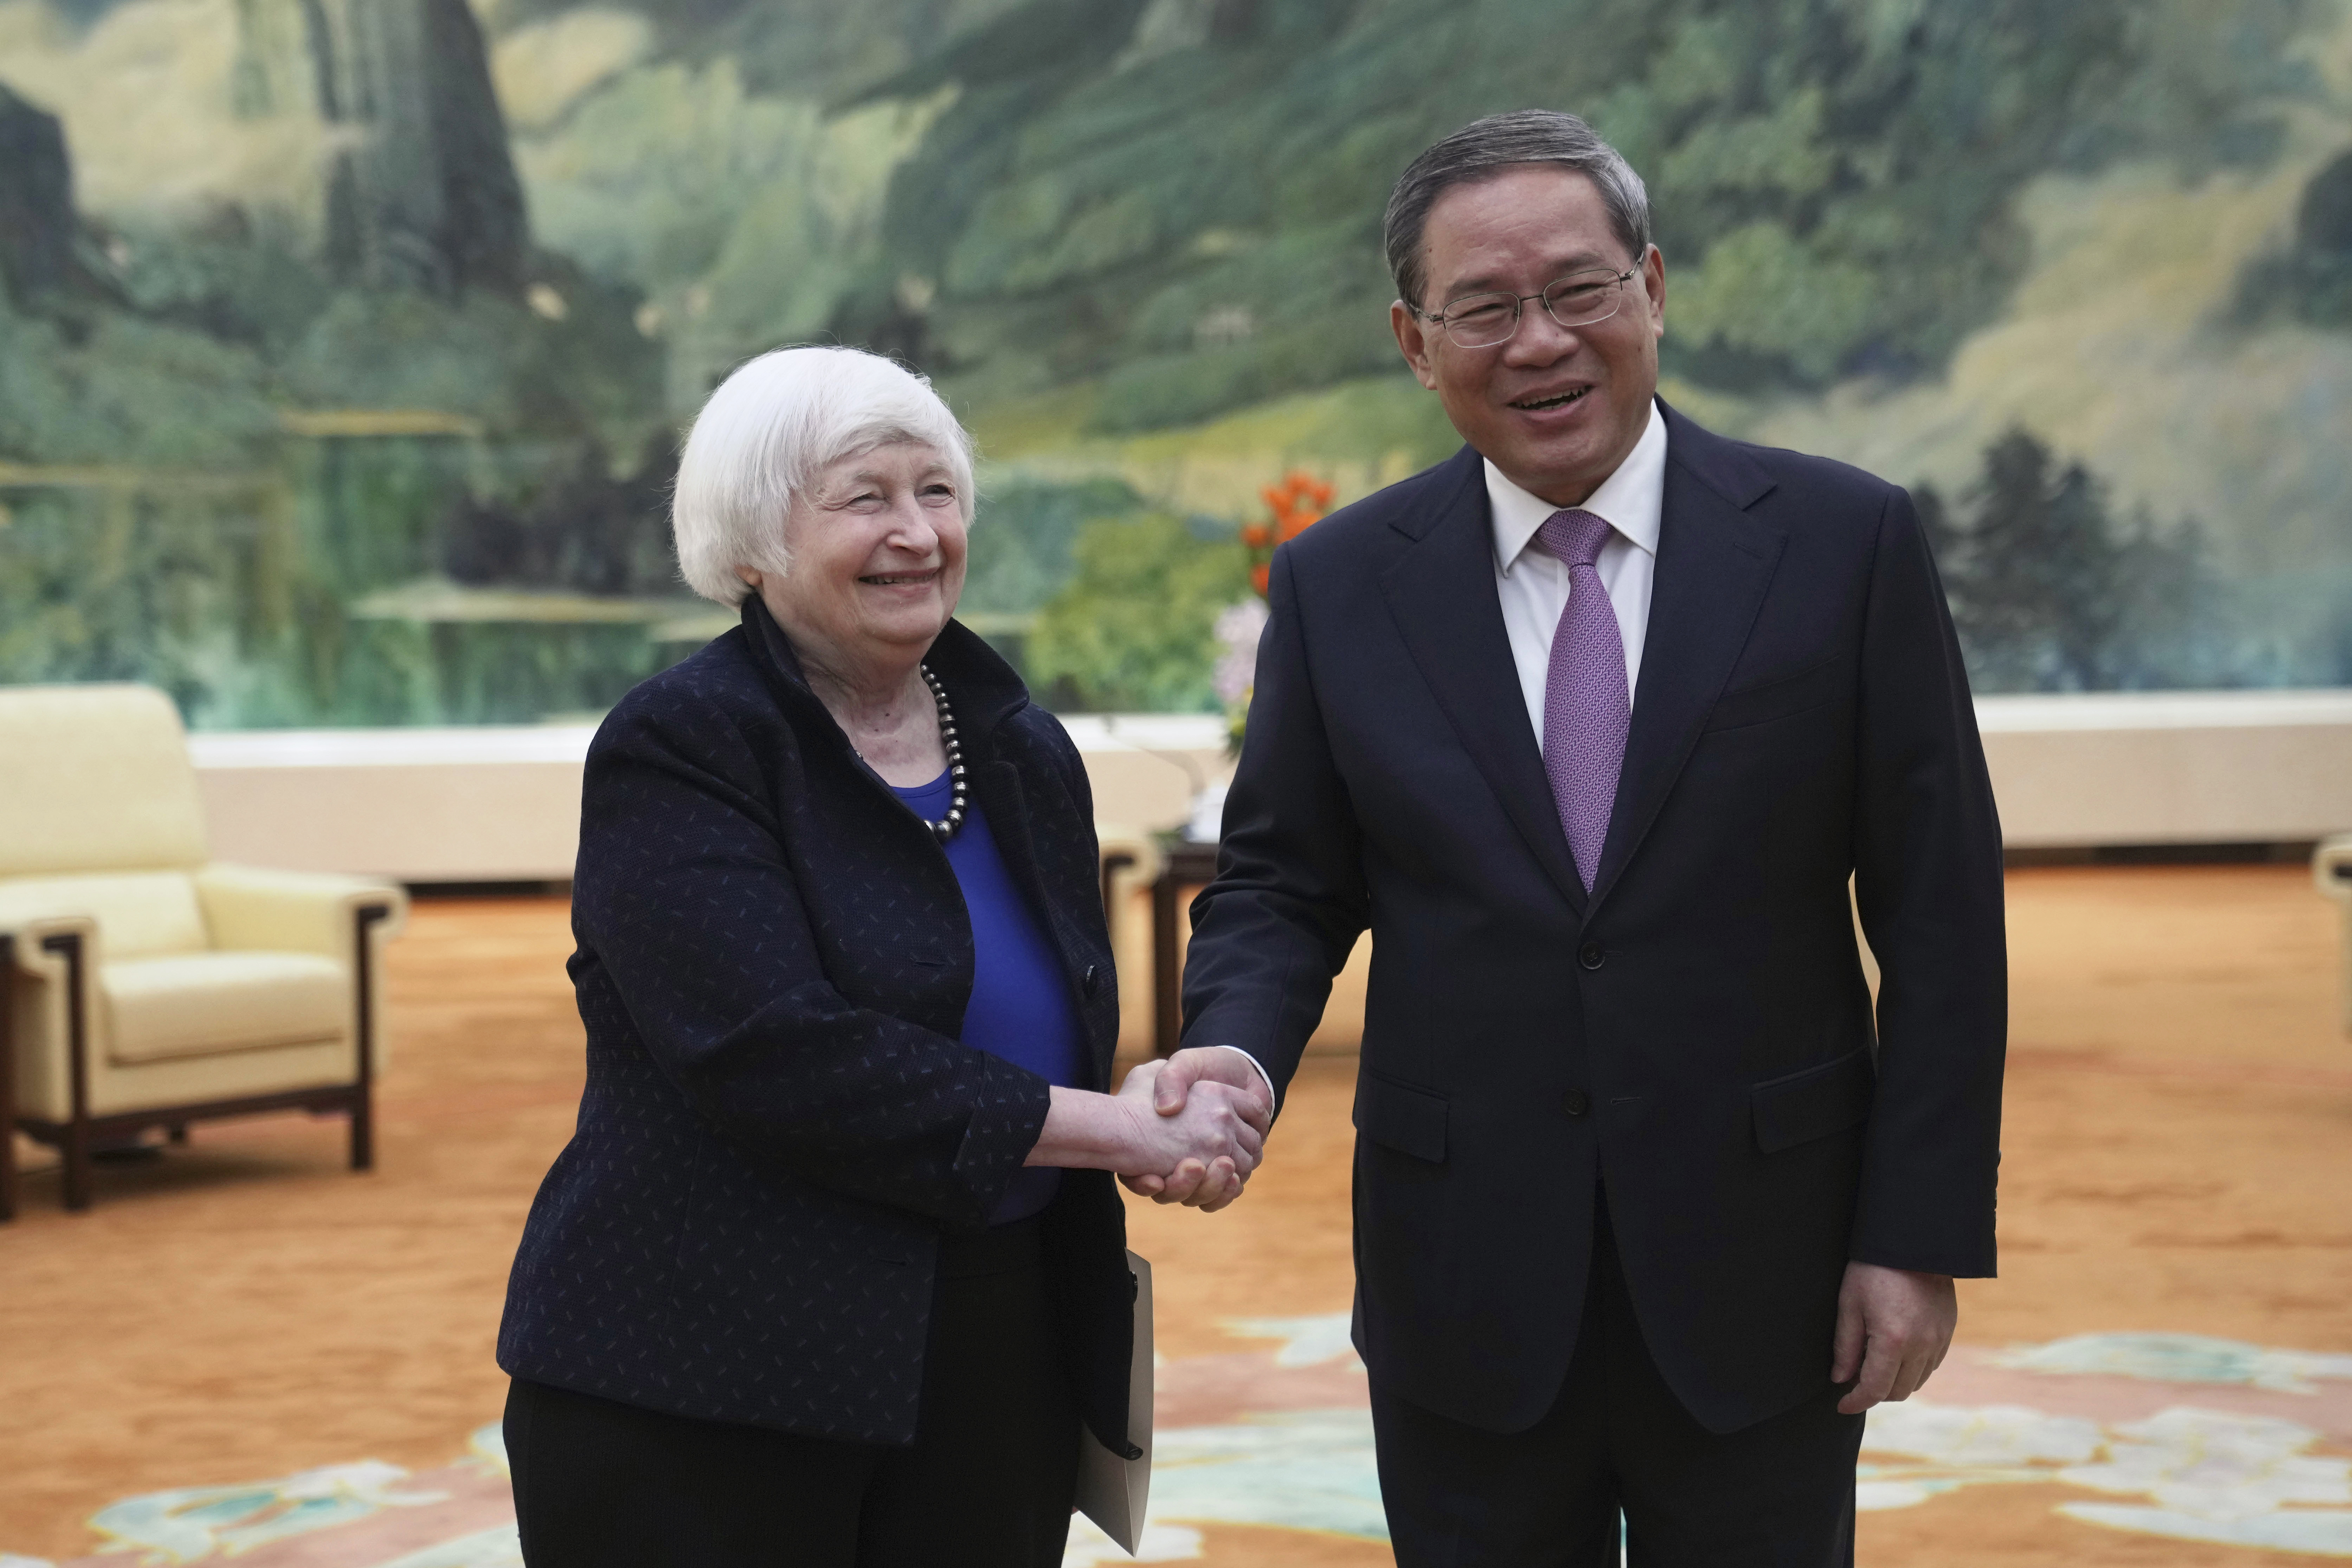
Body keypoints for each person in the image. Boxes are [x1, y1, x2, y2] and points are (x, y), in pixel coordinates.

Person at [1146, 110, 2007, 1563]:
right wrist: (1232, 1050)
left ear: (1654, 288)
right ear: (1418, 345)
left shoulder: (1842, 544)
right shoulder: (1344, 583)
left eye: (1580, 290)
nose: (1539, 341)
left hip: (1768, 1271)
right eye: (1484, 309)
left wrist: (1914, 1234)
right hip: (1463, 1281)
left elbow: (1940, 913)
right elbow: (1284, 881)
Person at [495, 345, 1269, 1568]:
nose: (916, 532)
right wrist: (1114, 1132)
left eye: (939, 492)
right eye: (866, 497)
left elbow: (1039, 1024)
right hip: (711, 1376)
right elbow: (775, 1055)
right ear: (750, 541)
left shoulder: (1020, 746)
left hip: (1000, 1356)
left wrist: (1137, 1093)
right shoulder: (684, 745)